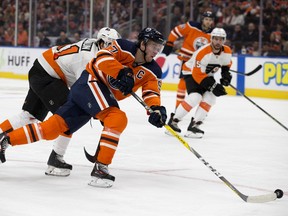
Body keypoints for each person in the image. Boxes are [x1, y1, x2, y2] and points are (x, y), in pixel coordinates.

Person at [0, 27, 167, 188]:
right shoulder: (123, 46)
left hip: (83, 89)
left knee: (52, 129)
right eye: (153, 45)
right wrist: (121, 72)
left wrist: (155, 109)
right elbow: (102, 58)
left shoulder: (154, 70)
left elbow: (151, 92)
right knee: (117, 118)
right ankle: (100, 168)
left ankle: (6, 140)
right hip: (88, 83)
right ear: (143, 43)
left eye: (159, 47)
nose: (156, 50)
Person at [0, 27, 121, 177]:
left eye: (113, 45)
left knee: (29, 115)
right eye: (108, 44)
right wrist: (100, 111)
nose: (111, 48)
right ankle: (55, 159)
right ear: (100, 42)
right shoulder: (88, 58)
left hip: (42, 69)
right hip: (48, 75)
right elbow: (83, 89)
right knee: (68, 116)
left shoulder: (95, 48)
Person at [167, 28, 232, 138]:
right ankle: (173, 122)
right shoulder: (203, 52)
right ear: (211, 39)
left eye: (220, 39)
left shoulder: (227, 51)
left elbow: (226, 64)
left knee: (211, 97)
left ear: (224, 40)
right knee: (195, 97)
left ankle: (195, 125)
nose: (218, 42)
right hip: (190, 73)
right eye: (215, 39)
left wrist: (225, 75)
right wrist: (213, 86)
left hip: (206, 75)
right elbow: (197, 74)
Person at [162, 11, 214, 120]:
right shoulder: (192, 26)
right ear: (202, 19)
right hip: (187, 61)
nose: (208, 22)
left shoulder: (214, 34)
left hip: (202, 63)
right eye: (206, 19)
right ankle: (178, 108)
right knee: (183, 83)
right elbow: (175, 31)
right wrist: (169, 43)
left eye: (210, 20)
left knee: (203, 87)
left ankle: (200, 113)